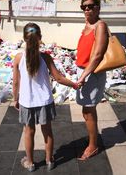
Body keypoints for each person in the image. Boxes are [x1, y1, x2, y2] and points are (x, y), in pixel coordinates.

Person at [12, 23, 79, 172]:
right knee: (47, 131)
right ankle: (50, 160)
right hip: (45, 101)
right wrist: (74, 84)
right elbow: (59, 78)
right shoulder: (46, 58)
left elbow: (16, 82)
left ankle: (30, 163)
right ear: (40, 38)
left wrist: (15, 99)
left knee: (28, 132)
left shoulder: (18, 58)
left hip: (27, 102)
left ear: (24, 38)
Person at [75, 0, 109, 160]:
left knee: (88, 111)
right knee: (86, 110)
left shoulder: (100, 26)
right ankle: (93, 141)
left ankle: (93, 145)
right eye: (84, 7)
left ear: (98, 8)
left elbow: (97, 56)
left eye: (90, 6)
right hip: (84, 71)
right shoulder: (88, 24)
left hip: (91, 74)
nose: (87, 10)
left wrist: (83, 76)